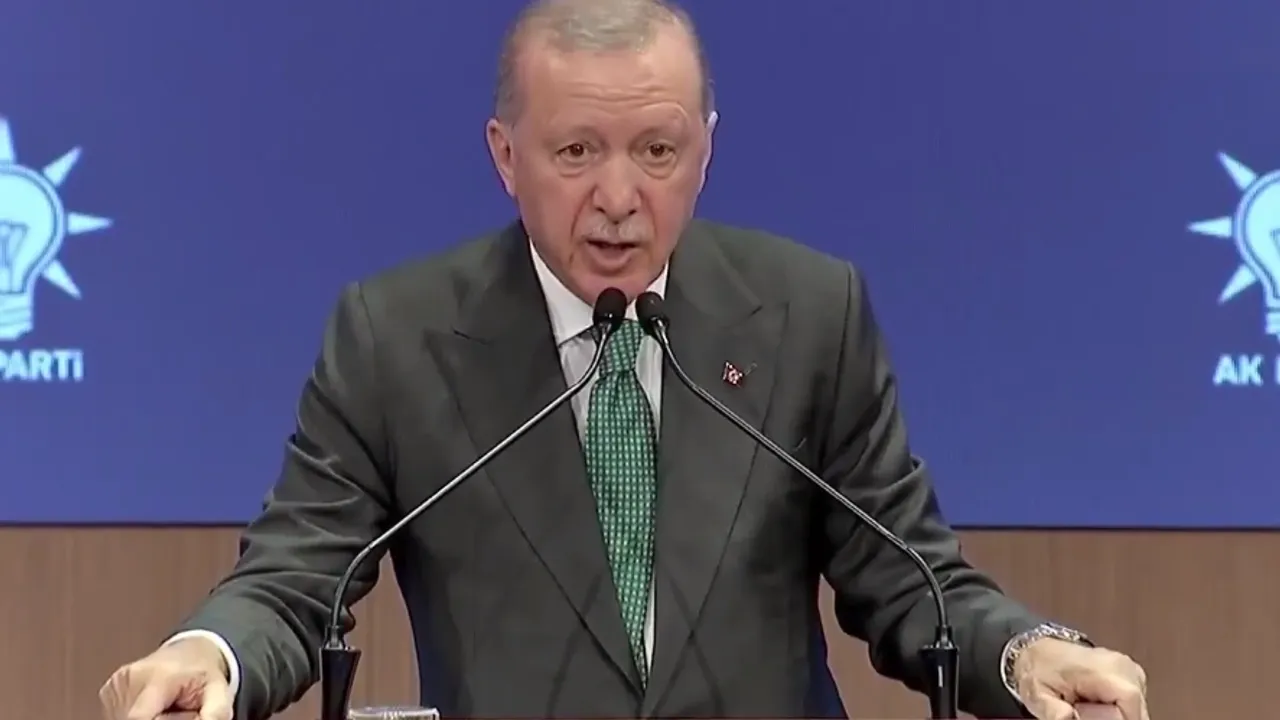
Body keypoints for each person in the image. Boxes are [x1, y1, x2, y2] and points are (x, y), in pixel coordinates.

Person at [100, 1, 1151, 719]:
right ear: (504, 157)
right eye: (575, 152)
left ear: (706, 148)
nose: (617, 197)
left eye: (657, 151)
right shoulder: (397, 337)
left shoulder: (806, 313)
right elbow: (297, 578)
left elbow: (910, 577)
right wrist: (208, 655)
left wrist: (1023, 653)